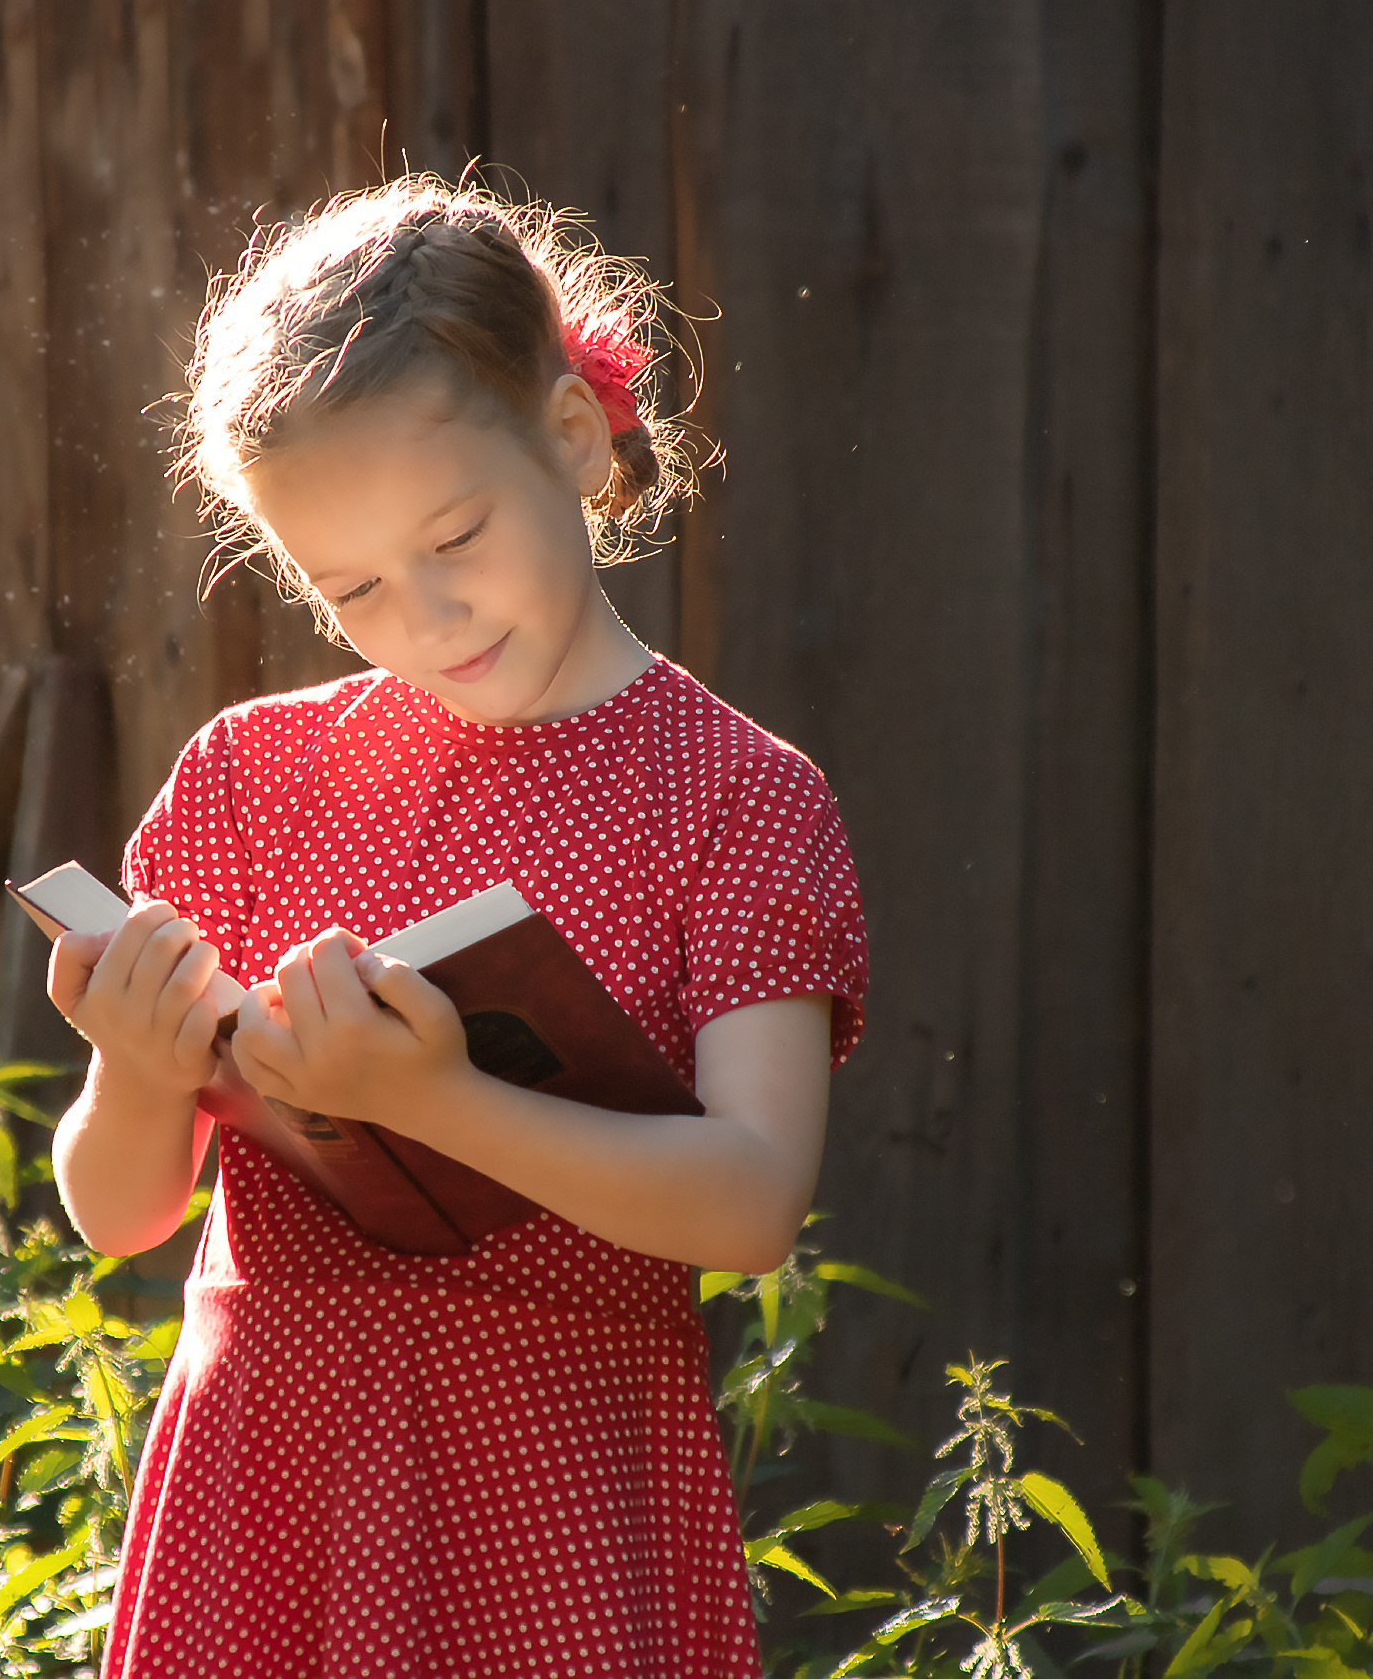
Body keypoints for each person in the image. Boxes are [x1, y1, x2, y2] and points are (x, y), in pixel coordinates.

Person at [43, 176, 870, 1678]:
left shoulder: (734, 797)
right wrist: (143, 1073)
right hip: (269, 1495)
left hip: (558, 1487)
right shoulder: (250, 778)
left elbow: (751, 1203)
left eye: (458, 536)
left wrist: (436, 1103)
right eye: (350, 585)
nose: (424, 613)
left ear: (571, 436)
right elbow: (120, 1212)